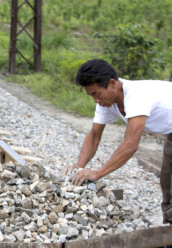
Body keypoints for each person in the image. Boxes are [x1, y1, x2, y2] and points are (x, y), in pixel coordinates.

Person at [61, 59, 172, 224]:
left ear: (112, 84)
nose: (95, 100)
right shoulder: (107, 102)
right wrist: (80, 167)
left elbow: (130, 145)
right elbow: (94, 136)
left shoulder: (136, 95)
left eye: (96, 94)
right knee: (168, 184)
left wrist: (98, 173)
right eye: (91, 95)